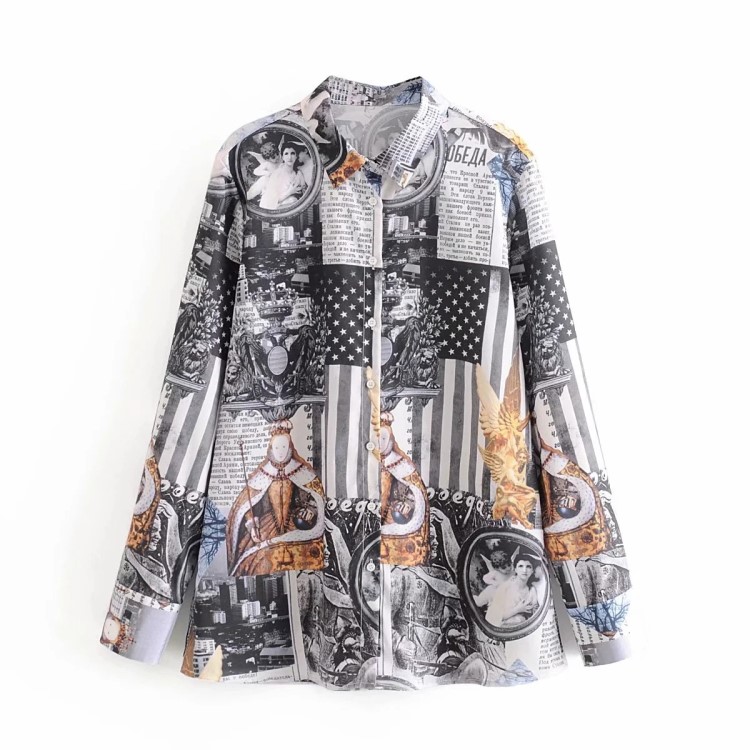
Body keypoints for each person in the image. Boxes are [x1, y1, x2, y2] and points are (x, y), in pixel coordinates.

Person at [225, 419, 326, 575]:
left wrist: (309, 510)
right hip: (267, 526)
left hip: (295, 523)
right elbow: (246, 505)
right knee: (259, 560)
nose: (280, 451)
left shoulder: (301, 471)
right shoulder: (262, 474)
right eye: (277, 447)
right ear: (271, 448)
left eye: (284, 447)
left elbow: (315, 496)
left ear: (290, 447)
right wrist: (252, 526)